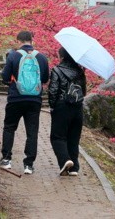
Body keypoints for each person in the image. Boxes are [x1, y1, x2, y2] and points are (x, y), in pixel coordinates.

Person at [0, 30, 49, 174]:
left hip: (16, 97)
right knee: (32, 131)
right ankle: (29, 165)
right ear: (31, 40)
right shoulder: (41, 57)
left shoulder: (13, 55)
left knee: (9, 127)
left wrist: (12, 83)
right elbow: (45, 79)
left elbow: (5, 76)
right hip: (34, 99)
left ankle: (6, 159)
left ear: (18, 41)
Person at [48, 47, 87, 176]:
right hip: (77, 107)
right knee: (73, 138)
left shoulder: (57, 70)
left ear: (62, 57)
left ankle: (65, 160)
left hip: (62, 106)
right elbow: (84, 92)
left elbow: (53, 90)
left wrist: (52, 106)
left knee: (57, 136)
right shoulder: (80, 72)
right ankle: (74, 168)